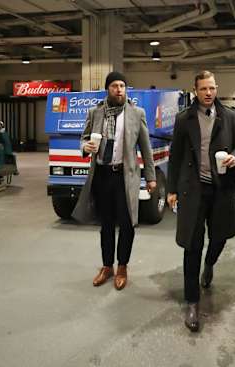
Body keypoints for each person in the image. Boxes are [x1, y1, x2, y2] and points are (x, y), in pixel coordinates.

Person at [167, 71, 235, 332]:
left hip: (222, 189)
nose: (209, 93)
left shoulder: (231, 116)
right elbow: (175, 156)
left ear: (216, 88)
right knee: (192, 246)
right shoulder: (183, 119)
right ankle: (192, 302)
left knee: (220, 237)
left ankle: (210, 264)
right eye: (203, 89)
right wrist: (171, 189)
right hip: (193, 190)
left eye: (212, 88)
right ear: (195, 90)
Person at [72, 71, 156, 290]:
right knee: (106, 224)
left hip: (124, 176)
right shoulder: (95, 112)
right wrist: (85, 147)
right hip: (102, 175)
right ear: (107, 89)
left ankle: (122, 267)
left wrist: (151, 177)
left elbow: (146, 149)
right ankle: (107, 266)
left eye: (122, 86)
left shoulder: (137, 113)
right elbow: (83, 138)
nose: (119, 90)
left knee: (127, 224)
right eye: (114, 86)